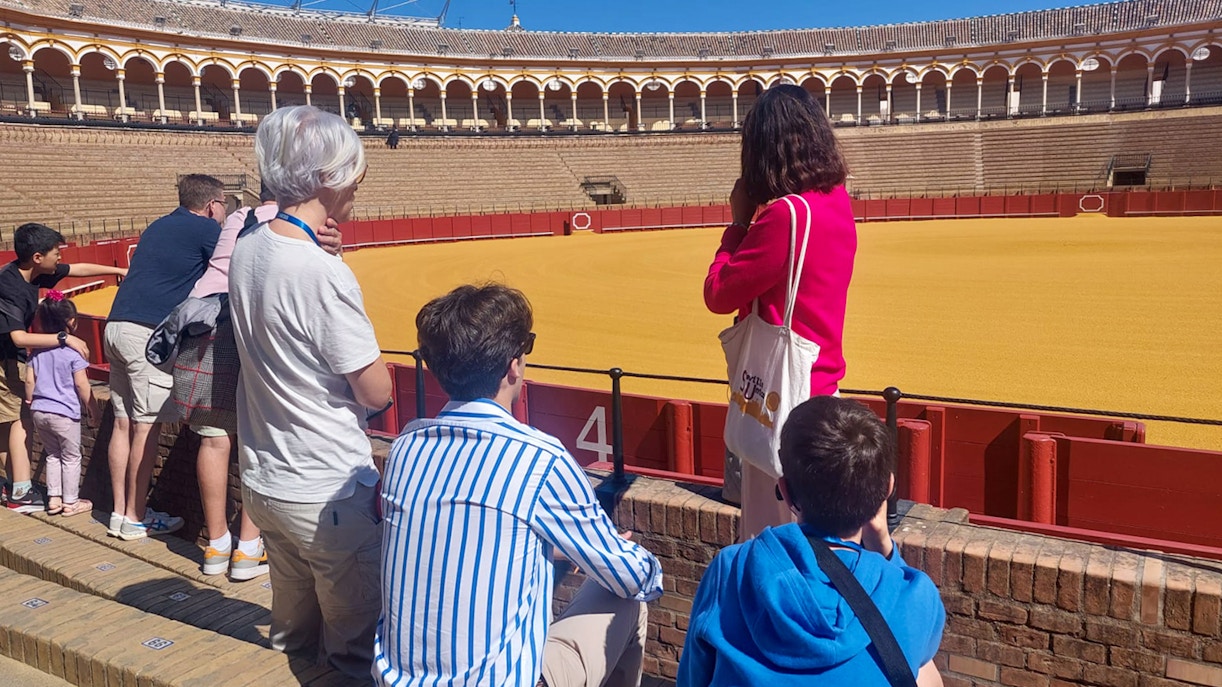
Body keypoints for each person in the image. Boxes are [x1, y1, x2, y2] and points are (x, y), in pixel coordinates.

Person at [374, 283, 663, 687]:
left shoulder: (405, 449)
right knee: (628, 594)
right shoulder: (539, 459)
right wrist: (632, 555)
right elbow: (633, 578)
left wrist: (553, 547)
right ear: (514, 365)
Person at [229, 105, 392, 681]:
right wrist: (338, 271)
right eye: (352, 173)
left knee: (291, 635)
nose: (356, 186)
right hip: (326, 490)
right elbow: (376, 391)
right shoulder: (322, 274)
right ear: (326, 177)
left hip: (265, 482)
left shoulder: (247, 246)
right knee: (355, 652)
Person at [677, 396, 945, 687]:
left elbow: (693, 679)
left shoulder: (730, 569)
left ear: (786, 492)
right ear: (888, 489)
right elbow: (910, 628)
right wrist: (886, 550)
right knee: (926, 672)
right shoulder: (916, 594)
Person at [703, 84, 856, 540]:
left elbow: (718, 293)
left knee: (771, 539)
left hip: (780, 395)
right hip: (820, 381)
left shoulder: (785, 216)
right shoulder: (836, 201)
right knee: (816, 535)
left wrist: (736, 224)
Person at [104, 174, 228, 540]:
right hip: (146, 333)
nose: (224, 212)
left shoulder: (158, 225)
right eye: (223, 205)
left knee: (123, 422)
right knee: (146, 425)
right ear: (211, 206)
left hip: (116, 327)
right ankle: (135, 517)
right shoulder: (206, 230)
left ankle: (118, 512)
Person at [177, 182, 279, 581]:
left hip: (205, 321)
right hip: (248, 327)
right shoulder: (293, 222)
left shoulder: (240, 215)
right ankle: (248, 548)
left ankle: (217, 545)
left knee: (214, 437)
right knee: (259, 437)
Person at [0, 222, 125, 513]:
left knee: (7, 425)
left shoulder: (28, 270)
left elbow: (76, 269)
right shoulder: (10, 286)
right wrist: (63, 338)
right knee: (20, 422)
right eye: (56, 253)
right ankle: (20, 492)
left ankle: (11, 486)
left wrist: (116, 271)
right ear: (37, 258)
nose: (60, 258)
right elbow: (18, 337)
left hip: (8, 358)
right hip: (5, 361)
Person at [25, 291, 99, 517]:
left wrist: (30, 400)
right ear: (72, 321)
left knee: (52, 454)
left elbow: (30, 379)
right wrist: (93, 409)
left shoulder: (37, 350)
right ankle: (71, 501)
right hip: (64, 413)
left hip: (40, 410)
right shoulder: (73, 353)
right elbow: (82, 385)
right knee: (71, 456)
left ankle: (54, 498)